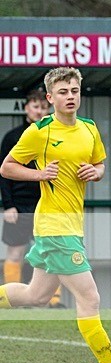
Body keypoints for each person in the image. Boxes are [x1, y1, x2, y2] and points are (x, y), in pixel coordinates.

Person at [0, 67, 111, 363]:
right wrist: (38, 176)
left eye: (74, 91)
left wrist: (95, 172)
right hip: (54, 226)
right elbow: (7, 167)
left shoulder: (89, 128)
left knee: (36, 295)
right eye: (63, 92)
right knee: (89, 296)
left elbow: (100, 164)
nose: (70, 97)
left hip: (70, 224)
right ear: (50, 97)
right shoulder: (39, 131)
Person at [1, 89, 64, 307]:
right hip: (20, 204)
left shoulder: (55, 134)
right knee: (15, 251)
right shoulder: (12, 137)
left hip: (48, 204)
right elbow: (3, 173)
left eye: (43, 107)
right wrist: (8, 205)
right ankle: (12, 303)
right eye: (35, 107)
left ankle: (55, 302)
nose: (39, 111)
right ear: (26, 108)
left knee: (53, 251)